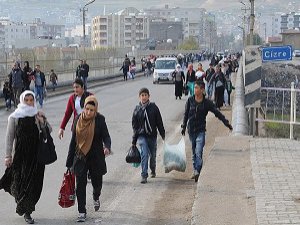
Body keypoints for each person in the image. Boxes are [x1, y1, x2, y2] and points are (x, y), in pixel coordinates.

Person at [0, 90, 52, 224]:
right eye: (27, 100)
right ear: (22, 101)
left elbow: (49, 130)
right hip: (20, 157)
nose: (29, 102)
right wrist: (7, 156)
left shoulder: (37, 115)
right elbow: (9, 137)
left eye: (31, 100)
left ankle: (27, 212)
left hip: (36, 157)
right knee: (19, 183)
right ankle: (21, 201)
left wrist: (43, 121)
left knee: (33, 185)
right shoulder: (14, 117)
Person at [66, 96, 111, 222]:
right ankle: (81, 211)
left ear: (95, 110)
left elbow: (106, 136)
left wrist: (107, 147)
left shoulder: (100, 120)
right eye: (87, 109)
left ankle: (96, 196)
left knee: (97, 183)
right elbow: (73, 141)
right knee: (80, 184)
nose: (89, 112)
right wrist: (69, 162)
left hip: (96, 157)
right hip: (80, 156)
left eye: (92, 110)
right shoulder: (77, 119)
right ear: (84, 108)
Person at [181, 81, 233, 183]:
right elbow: (186, 115)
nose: (195, 90)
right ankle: (196, 169)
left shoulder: (207, 103)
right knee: (194, 151)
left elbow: (217, 113)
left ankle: (197, 170)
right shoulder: (190, 100)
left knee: (198, 151)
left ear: (202, 90)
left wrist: (226, 123)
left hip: (201, 130)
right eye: (194, 88)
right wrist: (183, 127)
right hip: (191, 130)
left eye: (197, 88)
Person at [132, 88, 165, 184]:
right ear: (139, 97)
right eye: (142, 95)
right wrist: (134, 141)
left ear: (149, 96)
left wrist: (162, 134)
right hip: (142, 136)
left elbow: (159, 122)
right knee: (144, 153)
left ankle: (153, 169)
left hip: (152, 136)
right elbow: (134, 126)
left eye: (145, 95)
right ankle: (144, 175)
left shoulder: (154, 108)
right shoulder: (137, 109)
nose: (144, 97)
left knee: (153, 155)